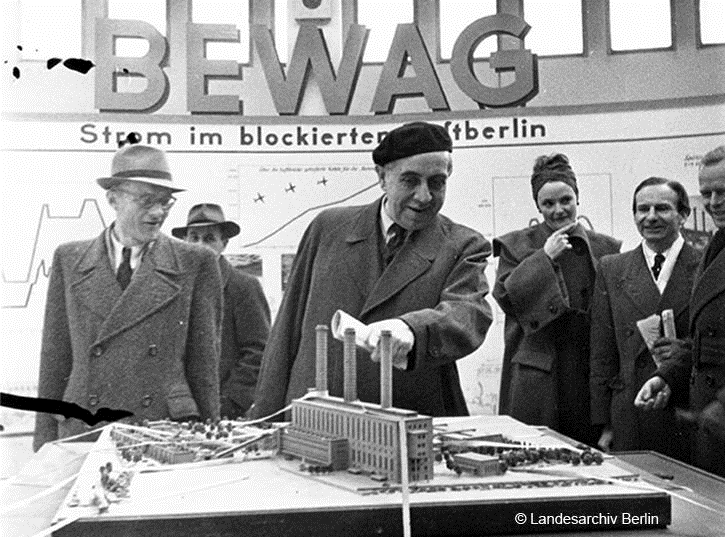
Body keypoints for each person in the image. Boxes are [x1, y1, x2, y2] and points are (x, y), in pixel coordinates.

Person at [249, 121, 493, 418]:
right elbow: (287, 328)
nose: (424, 196)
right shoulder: (328, 228)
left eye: (437, 182)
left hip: (408, 415)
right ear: (382, 177)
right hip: (317, 414)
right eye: (410, 181)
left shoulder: (464, 245)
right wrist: (264, 417)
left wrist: (412, 330)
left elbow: (469, 312)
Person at [33, 144, 223, 452]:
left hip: (163, 428)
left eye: (165, 202)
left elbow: (204, 365)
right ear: (113, 199)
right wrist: (44, 441)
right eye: (146, 200)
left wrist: (208, 438)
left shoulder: (195, 262)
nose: (158, 212)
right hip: (85, 426)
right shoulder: (70, 259)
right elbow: (55, 358)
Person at [492, 153, 621, 447]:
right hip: (537, 376)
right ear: (537, 206)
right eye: (548, 204)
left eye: (566, 200)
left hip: (586, 375)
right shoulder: (516, 245)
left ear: (578, 198)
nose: (558, 210)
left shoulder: (606, 248)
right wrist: (543, 258)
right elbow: (505, 297)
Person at [590, 177, 699, 459]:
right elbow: (602, 353)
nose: (650, 217)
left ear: (683, 215)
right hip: (631, 411)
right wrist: (605, 424)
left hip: (688, 410)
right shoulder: (612, 268)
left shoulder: (705, 267)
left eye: (662, 208)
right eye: (642, 209)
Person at [636, 145, 725, 477]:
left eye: (723, 192)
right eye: (707, 193)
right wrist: (668, 376)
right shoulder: (714, 247)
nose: (715, 202)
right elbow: (706, 342)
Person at [172, 204, 270, 419]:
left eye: (209, 238)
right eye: (194, 238)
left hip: (223, 410)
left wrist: (230, 402)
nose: (200, 245)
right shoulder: (174, 288)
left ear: (223, 244)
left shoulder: (244, 286)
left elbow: (259, 351)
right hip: (178, 409)